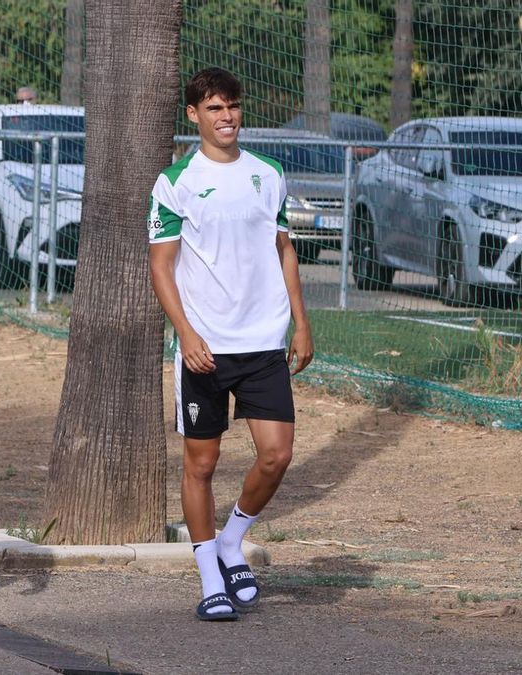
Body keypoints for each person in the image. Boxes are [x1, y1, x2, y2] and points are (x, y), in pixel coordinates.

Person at [147, 67, 313, 622]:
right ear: (193, 115)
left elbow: (284, 249)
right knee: (201, 463)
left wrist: (301, 322)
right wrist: (187, 334)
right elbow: (161, 268)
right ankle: (208, 575)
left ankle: (230, 540)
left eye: (233, 107)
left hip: (264, 340)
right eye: (214, 108)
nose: (227, 117)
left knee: (277, 454)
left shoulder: (269, 174)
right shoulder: (176, 181)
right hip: (205, 347)